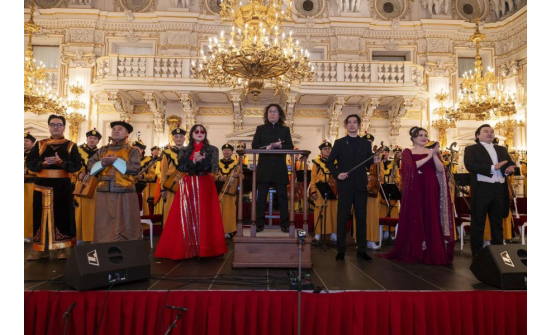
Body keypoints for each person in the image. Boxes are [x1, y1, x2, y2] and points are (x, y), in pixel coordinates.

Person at [378, 127, 454, 264]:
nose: (424, 137)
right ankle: (417, 250)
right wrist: (429, 156)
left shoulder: (432, 152)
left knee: (431, 215)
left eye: (425, 135)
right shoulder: (408, 152)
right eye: (420, 135)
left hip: (431, 187)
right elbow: (411, 167)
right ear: (413, 138)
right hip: (416, 187)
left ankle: (431, 250)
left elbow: (440, 169)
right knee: (416, 215)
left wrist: (435, 154)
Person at [155, 124, 227, 260]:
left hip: (206, 183)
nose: (199, 133)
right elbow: (182, 168)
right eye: (196, 131)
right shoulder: (184, 150)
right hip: (188, 182)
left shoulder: (213, 150)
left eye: (202, 131)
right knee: (185, 213)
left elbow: (214, 168)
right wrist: (193, 161)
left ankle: (206, 248)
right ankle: (186, 246)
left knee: (205, 214)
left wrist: (202, 161)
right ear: (192, 134)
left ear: (205, 134)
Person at [26, 115, 82, 260]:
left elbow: (76, 166)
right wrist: (43, 164)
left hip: (62, 187)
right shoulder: (40, 144)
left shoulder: (71, 145)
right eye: (52, 124)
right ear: (49, 127)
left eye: (58, 124)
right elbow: (30, 163)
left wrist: (60, 162)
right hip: (41, 186)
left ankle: (61, 249)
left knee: (62, 217)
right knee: (40, 217)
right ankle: (41, 250)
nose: (55, 127)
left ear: (64, 127)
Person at [326, 114, 379, 262]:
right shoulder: (339, 143)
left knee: (361, 219)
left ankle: (361, 250)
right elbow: (329, 163)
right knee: (342, 218)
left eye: (355, 122)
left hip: (361, 186)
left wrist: (374, 160)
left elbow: (368, 164)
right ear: (345, 125)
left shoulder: (365, 144)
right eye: (349, 122)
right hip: (345, 185)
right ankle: (341, 250)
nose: (352, 125)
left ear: (359, 125)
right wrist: (338, 174)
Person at [464, 124, 516, 257]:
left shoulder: (502, 149)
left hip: (499, 189)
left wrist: (509, 169)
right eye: (486, 131)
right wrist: (493, 167)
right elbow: (471, 166)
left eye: (492, 132)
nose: (490, 134)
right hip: (482, 188)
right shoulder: (471, 149)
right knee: (478, 222)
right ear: (477, 135)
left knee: (497, 222)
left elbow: (509, 163)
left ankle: (499, 254)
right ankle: (477, 253)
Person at [88, 121, 142, 243]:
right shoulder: (102, 150)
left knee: (125, 221)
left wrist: (115, 161)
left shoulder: (132, 150)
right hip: (104, 190)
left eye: (120, 129)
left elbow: (135, 168)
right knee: (104, 221)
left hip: (125, 190)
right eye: (114, 129)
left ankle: (127, 248)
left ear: (127, 133)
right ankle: (103, 245)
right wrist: (102, 163)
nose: (116, 131)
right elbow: (90, 165)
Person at [251, 103, 294, 233]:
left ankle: (284, 224)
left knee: (282, 198)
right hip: (264, 168)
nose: (272, 114)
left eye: (275, 111)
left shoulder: (285, 130)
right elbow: (254, 146)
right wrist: (267, 148)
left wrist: (281, 147)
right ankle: (259, 224)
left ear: (279, 114)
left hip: (280, 169)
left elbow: (290, 147)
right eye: (270, 111)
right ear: (267, 114)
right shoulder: (260, 129)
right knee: (261, 198)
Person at [74, 128, 101, 244]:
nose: (92, 140)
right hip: (81, 184)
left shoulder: (100, 153)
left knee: (94, 212)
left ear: (98, 141)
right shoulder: (78, 150)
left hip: (95, 184)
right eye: (90, 138)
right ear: (87, 138)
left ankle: (92, 237)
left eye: (95, 139)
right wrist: (78, 173)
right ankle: (79, 237)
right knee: (79, 211)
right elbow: (73, 165)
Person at [310, 141, 338, 242]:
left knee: (334, 211)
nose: (327, 151)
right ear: (321, 151)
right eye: (325, 149)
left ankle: (334, 233)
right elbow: (313, 178)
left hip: (334, 189)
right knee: (319, 210)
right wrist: (313, 191)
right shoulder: (316, 162)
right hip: (320, 189)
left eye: (329, 149)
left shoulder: (336, 162)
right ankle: (318, 233)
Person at [160, 127, 187, 224]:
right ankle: (169, 234)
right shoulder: (166, 153)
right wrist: (162, 187)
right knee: (170, 209)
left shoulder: (189, 152)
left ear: (184, 138)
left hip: (185, 184)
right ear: (173, 138)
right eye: (176, 137)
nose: (179, 138)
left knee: (184, 209)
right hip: (171, 185)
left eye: (181, 136)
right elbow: (163, 171)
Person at [216, 143, 240, 238]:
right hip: (219, 188)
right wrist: (218, 177)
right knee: (219, 209)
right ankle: (218, 229)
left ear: (232, 152)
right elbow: (213, 175)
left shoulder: (237, 163)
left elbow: (242, 175)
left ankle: (228, 230)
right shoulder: (217, 163)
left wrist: (236, 175)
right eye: (225, 150)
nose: (226, 152)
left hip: (230, 189)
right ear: (222, 152)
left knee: (229, 210)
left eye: (229, 150)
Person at [24, 132, 37, 244]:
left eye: (27, 141)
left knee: (27, 210)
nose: (24, 143)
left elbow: (39, 168)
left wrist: (27, 171)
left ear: (33, 144)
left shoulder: (35, 154)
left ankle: (27, 233)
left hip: (29, 184)